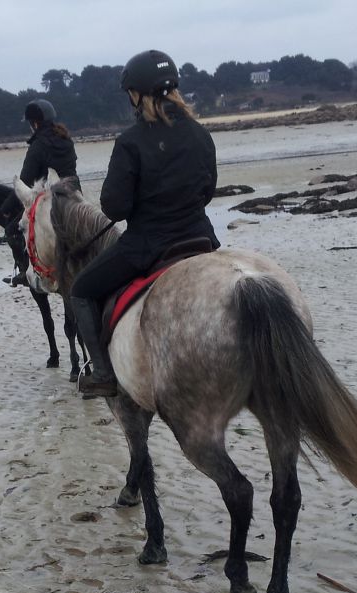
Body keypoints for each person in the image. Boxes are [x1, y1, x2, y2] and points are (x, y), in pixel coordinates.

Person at [69, 50, 219, 398]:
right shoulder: (200, 134)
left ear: (137, 94)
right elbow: (207, 191)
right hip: (202, 239)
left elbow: (115, 208)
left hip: (148, 246)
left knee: (81, 290)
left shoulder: (131, 142)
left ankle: (103, 374)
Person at [4, 99, 79, 286]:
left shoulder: (37, 146)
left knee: (12, 230)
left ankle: (27, 271)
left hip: (49, 200)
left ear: (35, 123)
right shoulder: (66, 140)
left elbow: (25, 180)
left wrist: (6, 208)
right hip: (74, 195)